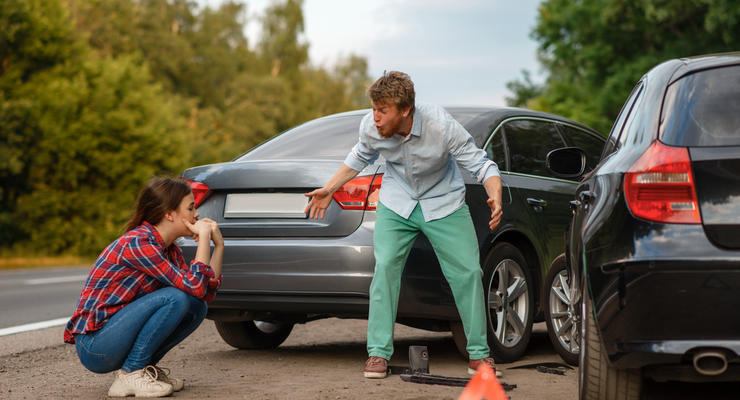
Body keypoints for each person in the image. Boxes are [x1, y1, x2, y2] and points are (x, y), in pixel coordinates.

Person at [304, 71, 504, 379]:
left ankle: (478, 355)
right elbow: (360, 155)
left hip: (443, 202)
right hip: (397, 203)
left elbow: (481, 164)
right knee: (385, 268)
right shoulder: (371, 127)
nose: (376, 118)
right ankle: (377, 353)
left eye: (383, 111)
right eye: (374, 109)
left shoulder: (441, 126)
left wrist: (495, 196)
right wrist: (330, 188)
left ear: (405, 110)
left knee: (468, 273)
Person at [64, 176, 223, 397]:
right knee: (176, 297)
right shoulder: (140, 243)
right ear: (169, 214)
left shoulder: (169, 250)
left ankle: (142, 369)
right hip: (95, 346)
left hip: (115, 336)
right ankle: (130, 374)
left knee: (196, 306)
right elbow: (194, 286)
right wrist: (204, 239)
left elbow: (204, 293)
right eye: (191, 207)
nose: (197, 215)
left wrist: (219, 244)